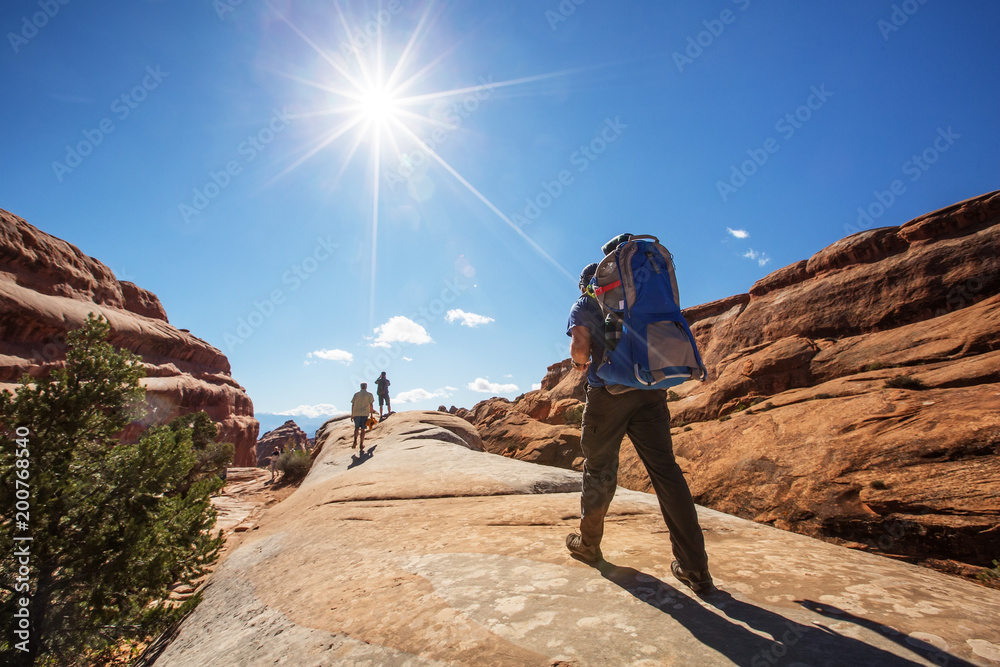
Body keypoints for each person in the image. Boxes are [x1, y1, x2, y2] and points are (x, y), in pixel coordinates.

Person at [565, 261, 714, 593]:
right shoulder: (637, 294)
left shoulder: (586, 302)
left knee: (599, 470)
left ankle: (588, 544)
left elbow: (579, 346)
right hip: (650, 392)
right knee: (666, 473)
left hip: (608, 396)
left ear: (586, 284)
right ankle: (696, 569)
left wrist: (579, 363)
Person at [351, 382, 377, 452]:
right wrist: (371, 415)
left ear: (360, 387)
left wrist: (352, 414)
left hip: (356, 413)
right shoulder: (369, 394)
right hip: (365, 414)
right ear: (366, 387)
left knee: (356, 428)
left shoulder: (356, 395)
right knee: (363, 429)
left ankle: (355, 441)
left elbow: (353, 405)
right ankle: (361, 444)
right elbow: (371, 405)